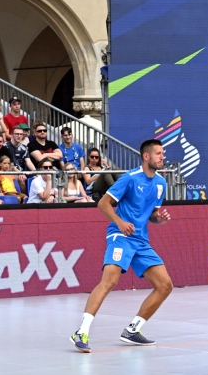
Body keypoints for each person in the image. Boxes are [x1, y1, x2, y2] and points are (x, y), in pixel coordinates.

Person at [69, 139, 173, 353]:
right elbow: (103, 203)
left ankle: (133, 330)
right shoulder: (129, 178)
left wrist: (159, 219)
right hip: (120, 236)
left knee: (165, 285)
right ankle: (81, 331)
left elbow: (152, 214)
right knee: (109, 281)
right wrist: (120, 222)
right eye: (159, 153)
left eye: (163, 153)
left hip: (141, 240)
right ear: (146, 156)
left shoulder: (161, 183)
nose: (163, 157)